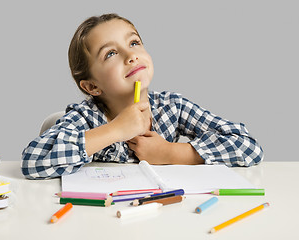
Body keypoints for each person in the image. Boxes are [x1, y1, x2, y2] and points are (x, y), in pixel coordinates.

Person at [21, 13, 263, 179]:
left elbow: (248, 147)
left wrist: (170, 152)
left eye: (134, 43)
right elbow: (33, 161)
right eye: (111, 53)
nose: (131, 55)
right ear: (92, 87)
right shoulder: (86, 117)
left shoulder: (172, 107)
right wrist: (115, 130)